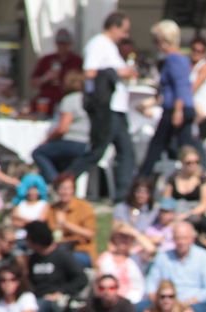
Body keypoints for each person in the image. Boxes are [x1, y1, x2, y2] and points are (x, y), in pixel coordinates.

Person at [67, 12, 136, 202]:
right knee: (97, 151)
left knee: (126, 152)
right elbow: (89, 72)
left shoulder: (110, 47)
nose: (125, 35)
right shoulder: (98, 44)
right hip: (106, 108)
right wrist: (118, 72)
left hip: (117, 109)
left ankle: (122, 196)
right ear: (114, 26)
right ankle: (64, 181)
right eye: (124, 30)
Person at [137, 20, 199, 177]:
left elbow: (180, 87)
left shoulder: (173, 59)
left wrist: (178, 110)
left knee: (158, 146)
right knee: (184, 146)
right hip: (180, 106)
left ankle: (143, 179)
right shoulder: (182, 58)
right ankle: (195, 177)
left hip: (176, 108)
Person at [22, 220, 87, 312]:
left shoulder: (62, 256)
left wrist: (62, 292)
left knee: (41, 306)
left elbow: (81, 279)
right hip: (37, 296)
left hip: (57, 298)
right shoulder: (34, 258)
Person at [145, 221, 206, 312]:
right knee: (142, 309)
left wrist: (190, 301)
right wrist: (156, 298)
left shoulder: (204, 257)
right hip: (167, 299)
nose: (181, 242)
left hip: (194, 302)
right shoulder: (163, 257)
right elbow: (151, 282)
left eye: (184, 238)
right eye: (178, 238)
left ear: (192, 239)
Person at [31, 71, 90, 183]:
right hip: (87, 143)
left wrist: (47, 140)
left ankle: (56, 183)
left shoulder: (70, 100)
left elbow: (62, 128)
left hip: (71, 141)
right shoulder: (89, 99)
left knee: (38, 153)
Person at [44, 173, 96, 269]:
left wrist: (65, 224)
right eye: (61, 188)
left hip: (81, 251)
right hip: (58, 249)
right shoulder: (52, 209)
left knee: (63, 259)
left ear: (73, 190)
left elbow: (90, 234)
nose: (65, 192)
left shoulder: (84, 207)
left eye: (68, 188)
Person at [29, 28, 81, 116]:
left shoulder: (77, 61)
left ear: (70, 44)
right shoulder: (46, 60)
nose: (62, 47)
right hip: (47, 103)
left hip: (66, 101)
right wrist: (45, 78)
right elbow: (32, 82)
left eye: (64, 44)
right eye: (59, 43)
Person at [96, 225, 146, 304]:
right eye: (121, 236)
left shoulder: (137, 256)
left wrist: (134, 232)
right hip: (109, 301)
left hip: (134, 301)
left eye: (127, 237)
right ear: (114, 238)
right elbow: (98, 282)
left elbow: (151, 249)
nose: (124, 239)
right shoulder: (105, 258)